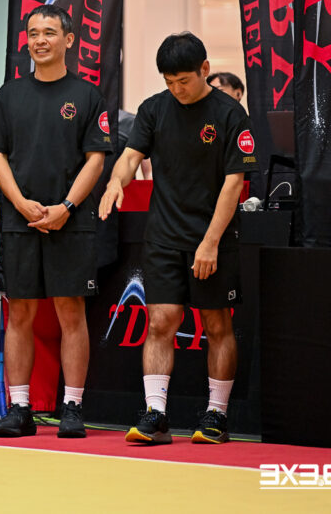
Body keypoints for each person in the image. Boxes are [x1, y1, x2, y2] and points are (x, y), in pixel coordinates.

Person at [99, 32, 256, 445]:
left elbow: (234, 183)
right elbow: (131, 156)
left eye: (183, 80)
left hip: (212, 236)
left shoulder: (230, 114)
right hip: (164, 235)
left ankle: (216, 415)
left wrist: (210, 242)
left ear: (205, 69)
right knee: (160, 322)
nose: (177, 89)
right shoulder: (154, 109)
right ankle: (156, 415)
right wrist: (116, 181)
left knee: (216, 323)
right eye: (169, 82)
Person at [0, 5, 111, 439]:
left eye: (50, 32)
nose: (40, 40)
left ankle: (72, 406)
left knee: (71, 311)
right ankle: (19, 408)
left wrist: (67, 207)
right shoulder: (9, 95)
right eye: (33, 32)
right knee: (19, 311)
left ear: (68, 40)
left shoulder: (87, 96)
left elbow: (96, 159)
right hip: (20, 221)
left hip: (70, 222)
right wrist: (19, 203)